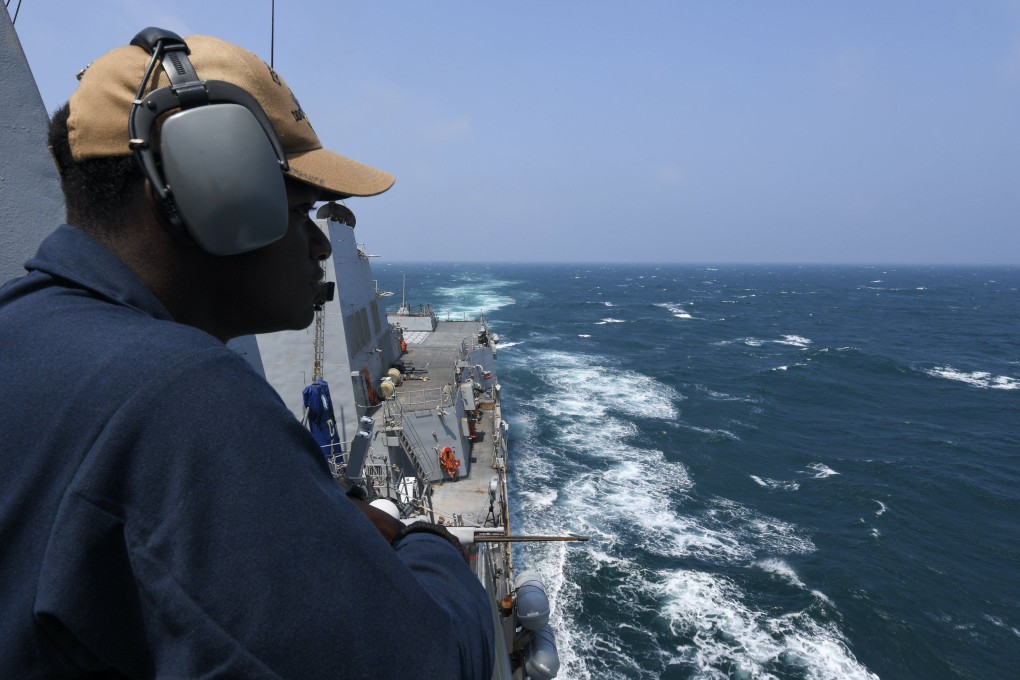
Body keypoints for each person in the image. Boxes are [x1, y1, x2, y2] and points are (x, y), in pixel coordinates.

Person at [0, 29, 494, 678]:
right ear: (206, 194)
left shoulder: (20, 324)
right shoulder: (182, 396)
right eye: (302, 209)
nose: (320, 247)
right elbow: (430, 662)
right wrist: (421, 540)